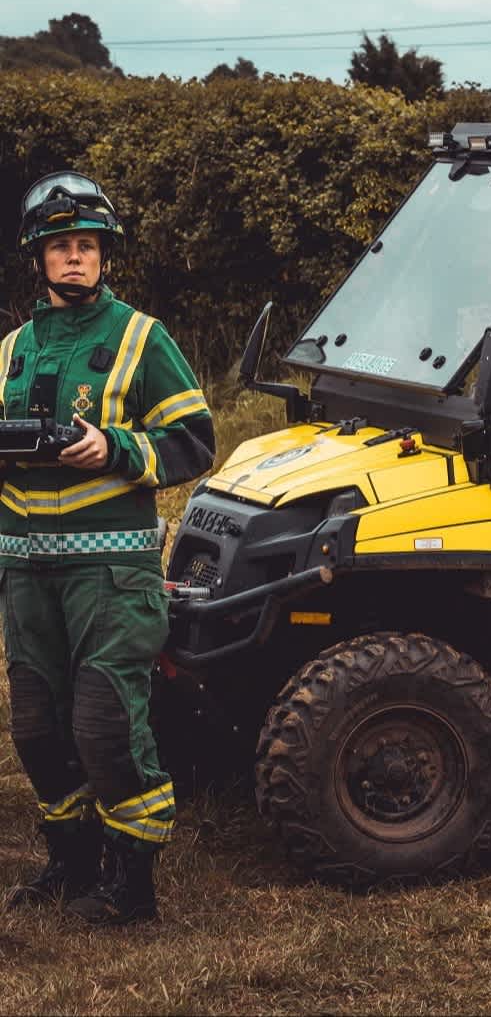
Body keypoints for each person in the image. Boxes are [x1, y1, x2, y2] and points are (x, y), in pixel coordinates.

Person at [0, 172, 214, 925]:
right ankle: (71, 860)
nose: (74, 258)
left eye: (86, 245)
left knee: (105, 725)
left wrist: (115, 447)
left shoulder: (140, 337)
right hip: (26, 570)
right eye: (61, 246)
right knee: (35, 725)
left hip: (110, 572)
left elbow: (194, 442)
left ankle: (132, 884)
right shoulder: (12, 350)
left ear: (103, 255)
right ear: (38, 257)